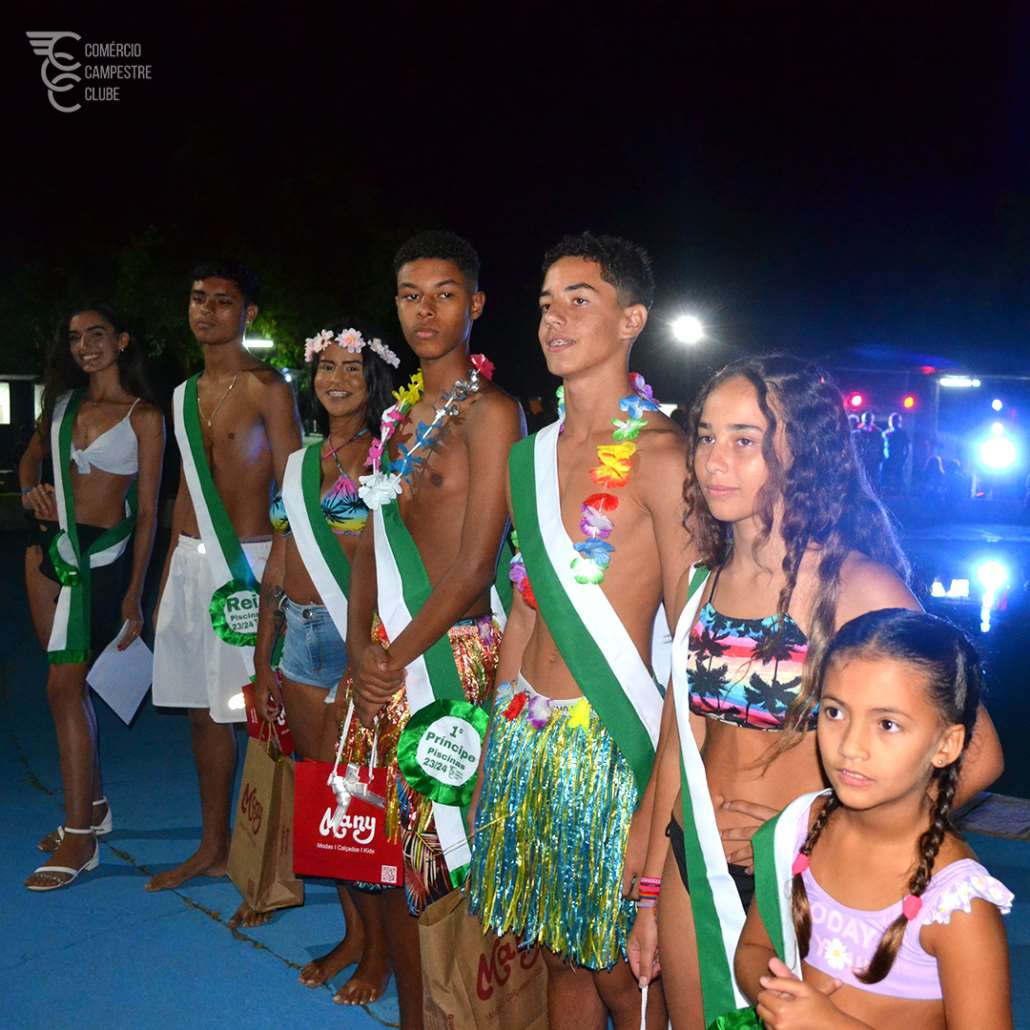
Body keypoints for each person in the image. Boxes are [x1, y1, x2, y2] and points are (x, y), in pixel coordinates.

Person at [626, 355, 1004, 1030]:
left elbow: (976, 756)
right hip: (693, 858)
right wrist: (651, 886)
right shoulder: (700, 582)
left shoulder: (858, 587)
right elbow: (681, 740)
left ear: (802, 452)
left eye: (745, 440)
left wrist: (830, 835)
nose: (714, 460)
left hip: (799, 878)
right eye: (706, 436)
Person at [468, 232, 690, 1030]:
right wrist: (494, 750)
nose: (553, 320)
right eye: (545, 304)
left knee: (622, 972)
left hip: (612, 745)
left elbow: (691, 650)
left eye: (579, 300)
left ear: (632, 319)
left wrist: (655, 815)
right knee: (561, 954)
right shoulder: (528, 458)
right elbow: (525, 608)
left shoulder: (664, 457)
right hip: (527, 735)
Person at [346, 230, 523, 1029]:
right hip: (386, 656)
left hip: (456, 660)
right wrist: (360, 648)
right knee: (393, 853)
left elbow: (476, 565)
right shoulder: (394, 422)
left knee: (450, 854)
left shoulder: (494, 413)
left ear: (475, 304)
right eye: (411, 296)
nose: (426, 311)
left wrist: (391, 656)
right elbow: (367, 548)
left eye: (445, 294)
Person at [735, 608, 1013, 1030]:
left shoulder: (956, 907)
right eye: (834, 712)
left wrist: (830, 1024)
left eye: (887, 724)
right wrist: (778, 998)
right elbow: (753, 948)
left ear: (946, 745)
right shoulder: (801, 830)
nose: (850, 746)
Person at [247, 322, 396, 1004]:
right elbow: (280, 558)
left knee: (362, 796)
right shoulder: (300, 462)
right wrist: (263, 657)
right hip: (299, 641)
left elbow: (395, 562)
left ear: (373, 380)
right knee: (325, 798)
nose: (337, 379)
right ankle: (353, 934)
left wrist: (368, 655)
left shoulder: (388, 456)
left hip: (355, 641)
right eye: (326, 367)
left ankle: (383, 951)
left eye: (351, 368)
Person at [148, 261, 301, 891]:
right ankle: (212, 845)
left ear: (248, 313)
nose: (206, 310)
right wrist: (167, 576)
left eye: (222, 300)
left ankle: (271, 859)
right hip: (191, 563)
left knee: (263, 713)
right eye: (197, 298)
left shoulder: (269, 388)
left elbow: (293, 488)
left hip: (252, 564)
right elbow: (188, 488)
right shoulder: (182, 396)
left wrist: (286, 574)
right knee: (201, 715)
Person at [20, 304, 164, 889]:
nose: (85, 346)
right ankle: (94, 805)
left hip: (99, 562)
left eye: (96, 334)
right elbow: (30, 461)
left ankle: (80, 838)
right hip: (45, 555)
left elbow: (149, 511)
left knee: (62, 687)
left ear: (122, 340)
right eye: (76, 337)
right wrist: (30, 491)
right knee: (67, 690)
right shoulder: (61, 407)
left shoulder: (144, 416)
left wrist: (135, 592)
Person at [881, 412, 910, 493]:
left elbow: (907, 446)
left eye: (895, 420)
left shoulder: (902, 433)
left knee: (898, 474)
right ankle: (886, 488)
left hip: (898, 458)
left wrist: (905, 458)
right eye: (892, 420)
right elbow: (883, 445)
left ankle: (899, 490)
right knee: (885, 472)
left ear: (898, 421)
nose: (893, 422)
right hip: (888, 458)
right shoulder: (886, 433)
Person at [854, 411, 883, 491]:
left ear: (872, 420)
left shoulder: (878, 432)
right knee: (862, 475)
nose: (867, 420)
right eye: (866, 418)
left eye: (869, 418)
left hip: (873, 458)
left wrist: (880, 457)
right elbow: (856, 445)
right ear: (863, 419)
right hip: (862, 458)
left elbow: (881, 446)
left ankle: (874, 491)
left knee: (873, 476)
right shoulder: (858, 432)